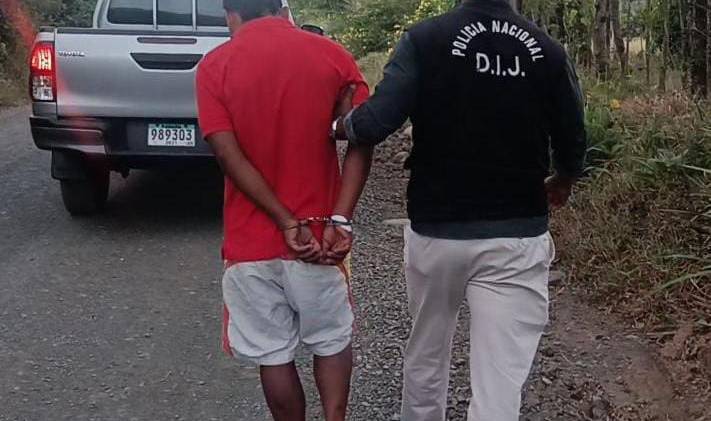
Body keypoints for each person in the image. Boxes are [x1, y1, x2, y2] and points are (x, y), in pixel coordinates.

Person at [333, 0, 587, 419]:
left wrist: (340, 125)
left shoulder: (425, 39)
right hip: (516, 236)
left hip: (438, 231)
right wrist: (564, 179)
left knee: (427, 351)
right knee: (500, 378)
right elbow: (572, 134)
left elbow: (377, 121)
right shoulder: (548, 50)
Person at [196, 1, 372, 420]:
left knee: (273, 353)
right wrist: (341, 218)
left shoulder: (215, 66)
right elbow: (363, 136)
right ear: (281, 9)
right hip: (321, 239)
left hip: (250, 245)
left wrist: (283, 220)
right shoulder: (333, 56)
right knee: (331, 339)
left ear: (230, 14)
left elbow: (226, 153)